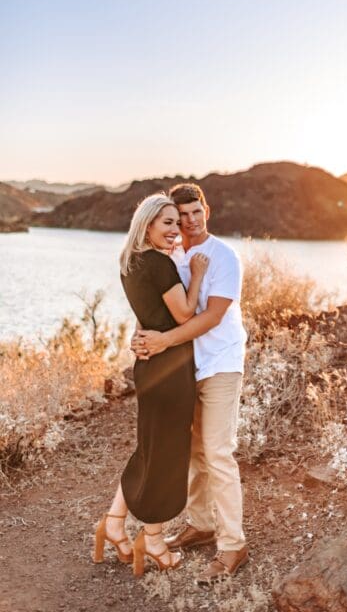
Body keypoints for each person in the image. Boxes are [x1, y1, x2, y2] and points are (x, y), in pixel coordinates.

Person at [131, 182, 249, 585]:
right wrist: (142, 334)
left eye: (197, 212)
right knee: (194, 451)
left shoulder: (223, 256)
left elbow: (213, 316)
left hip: (220, 364)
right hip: (185, 368)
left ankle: (233, 544)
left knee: (217, 452)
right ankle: (201, 524)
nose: (191, 221)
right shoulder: (173, 256)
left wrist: (163, 340)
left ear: (206, 210)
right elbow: (160, 308)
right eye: (181, 217)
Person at [94, 194, 209, 576]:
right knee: (166, 453)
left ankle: (114, 522)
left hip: (149, 365)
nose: (176, 229)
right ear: (147, 225)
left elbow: (148, 315)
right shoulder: (160, 263)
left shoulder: (129, 261)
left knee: (150, 447)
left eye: (177, 223)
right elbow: (185, 313)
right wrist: (199, 274)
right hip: (170, 368)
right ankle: (154, 539)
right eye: (168, 223)